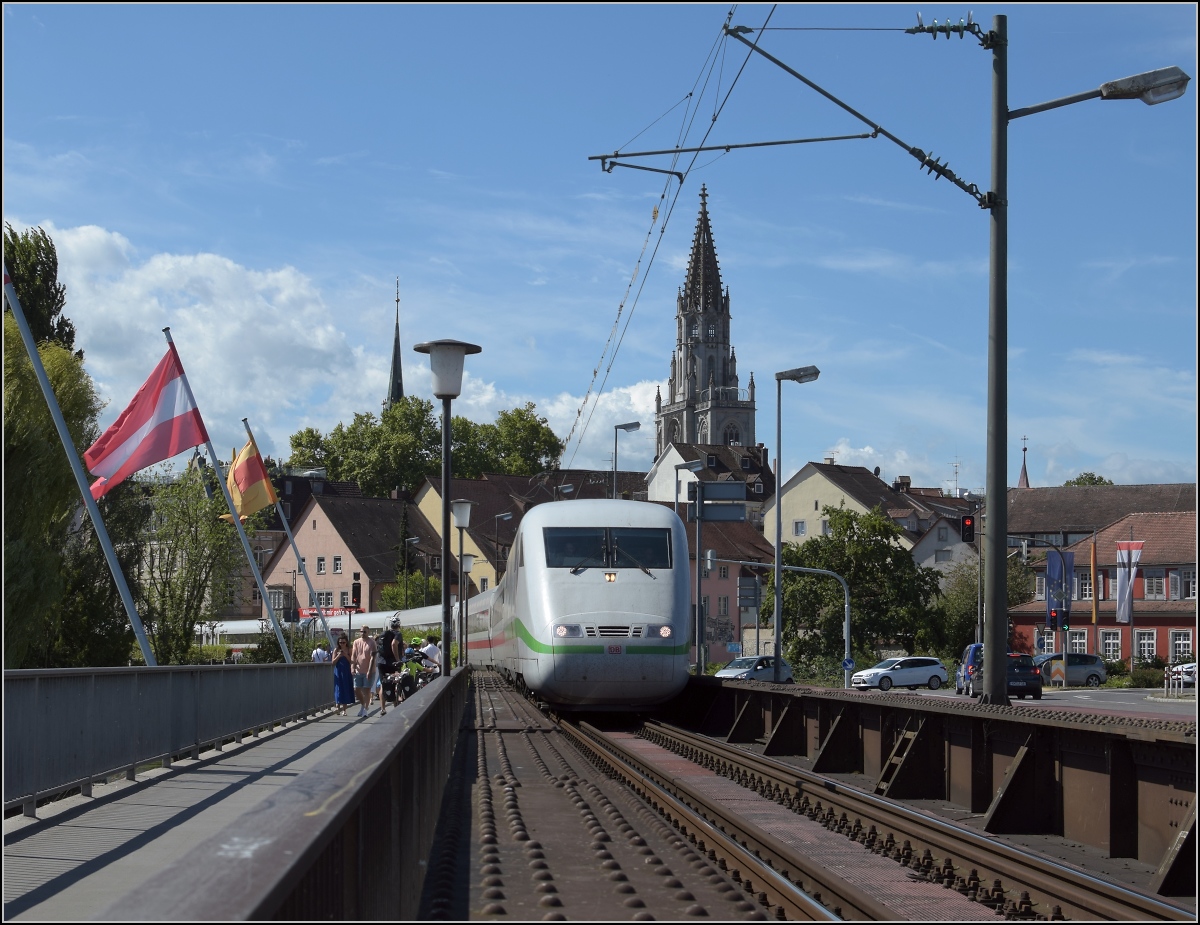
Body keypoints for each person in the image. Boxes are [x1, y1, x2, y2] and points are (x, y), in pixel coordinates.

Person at [375, 617, 403, 710]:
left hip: (381, 662)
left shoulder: (383, 634)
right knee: (395, 682)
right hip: (392, 663)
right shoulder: (398, 634)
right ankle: (396, 706)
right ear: (399, 625)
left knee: (383, 684)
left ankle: (383, 709)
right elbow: (394, 644)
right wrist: (398, 659)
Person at [350, 624, 377, 717]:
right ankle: (363, 705)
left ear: (368, 632)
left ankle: (365, 709)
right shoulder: (356, 642)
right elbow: (354, 655)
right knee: (356, 689)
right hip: (358, 669)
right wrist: (352, 667)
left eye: (364, 631)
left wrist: (369, 671)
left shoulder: (372, 643)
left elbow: (372, 657)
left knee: (366, 690)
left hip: (369, 670)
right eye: (361, 631)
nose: (362, 633)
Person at [331, 635, 354, 716]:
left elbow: (352, 661)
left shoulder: (349, 649)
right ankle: (337, 707)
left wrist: (345, 655)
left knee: (345, 688)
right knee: (338, 688)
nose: (342, 644)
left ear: (346, 642)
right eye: (340, 642)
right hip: (338, 671)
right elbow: (333, 662)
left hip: (346, 671)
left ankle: (344, 710)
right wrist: (338, 655)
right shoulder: (336, 650)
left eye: (343, 642)